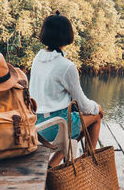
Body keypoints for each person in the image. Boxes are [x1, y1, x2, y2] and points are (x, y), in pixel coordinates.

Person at [29, 10, 103, 167]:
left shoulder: (38, 58)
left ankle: (53, 164)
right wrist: (98, 107)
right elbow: (84, 105)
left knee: (78, 121)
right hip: (55, 126)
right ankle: (90, 164)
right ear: (67, 35)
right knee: (95, 116)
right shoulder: (66, 66)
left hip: (35, 125)